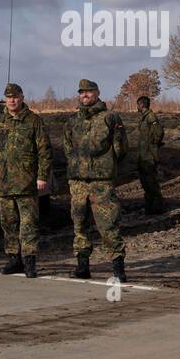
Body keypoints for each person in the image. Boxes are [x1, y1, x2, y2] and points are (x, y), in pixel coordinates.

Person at [62, 79, 128, 282]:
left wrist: (106, 165)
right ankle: (82, 265)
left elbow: (120, 147)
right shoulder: (72, 120)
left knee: (108, 224)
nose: (85, 95)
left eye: (89, 92)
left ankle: (117, 267)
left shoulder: (110, 117)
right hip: (78, 182)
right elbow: (67, 147)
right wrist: (77, 166)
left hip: (102, 181)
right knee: (79, 224)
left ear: (97, 93)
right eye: (82, 92)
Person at [0, 83, 52, 279]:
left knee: (28, 224)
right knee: (8, 223)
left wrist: (42, 176)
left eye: (15, 96)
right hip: (4, 183)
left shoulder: (33, 121)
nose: (12, 100)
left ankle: (29, 261)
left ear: (22, 97)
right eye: (8, 97)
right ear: (5, 100)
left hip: (27, 182)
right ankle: (14, 259)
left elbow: (44, 151)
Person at [135, 95, 165, 214]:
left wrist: (154, 144)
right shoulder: (144, 117)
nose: (137, 107)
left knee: (151, 181)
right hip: (143, 154)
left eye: (137, 104)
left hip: (149, 154)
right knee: (145, 181)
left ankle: (157, 207)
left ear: (141, 105)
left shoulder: (150, 116)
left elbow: (159, 131)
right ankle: (150, 206)